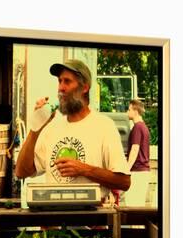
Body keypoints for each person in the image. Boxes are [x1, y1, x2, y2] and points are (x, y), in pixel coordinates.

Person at [15, 59, 131, 201]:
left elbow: (124, 182)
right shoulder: (51, 128)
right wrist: (36, 128)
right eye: (59, 81)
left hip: (90, 219)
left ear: (84, 88)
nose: (61, 88)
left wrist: (84, 169)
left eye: (67, 81)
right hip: (54, 220)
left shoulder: (104, 126)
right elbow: (21, 172)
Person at [124, 99, 150, 206]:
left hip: (137, 172)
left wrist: (126, 169)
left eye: (129, 109)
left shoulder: (137, 127)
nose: (127, 112)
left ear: (135, 111)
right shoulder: (144, 127)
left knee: (132, 205)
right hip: (143, 172)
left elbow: (135, 149)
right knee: (138, 206)